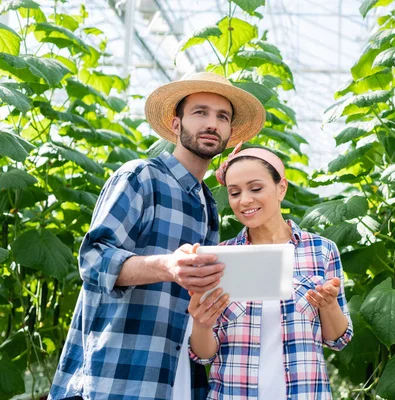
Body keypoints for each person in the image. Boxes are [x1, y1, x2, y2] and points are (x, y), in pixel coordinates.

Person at [48, 72, 266, 400]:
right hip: (119, 374)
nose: (212, 123)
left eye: (222, 117)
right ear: (176, 124)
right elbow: (93, 260)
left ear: (230, 133)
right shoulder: (141, 177)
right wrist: (167, 266)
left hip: (175, 375)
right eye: (200, 113)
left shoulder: (207, 203)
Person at [186, 146, 354, 399]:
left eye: (255, 189)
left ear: (281, 188)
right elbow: (204, 355)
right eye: (234, 192)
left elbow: (338, 340)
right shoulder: (220, 257)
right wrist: (201, 323)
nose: (244, 200)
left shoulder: (321, 250)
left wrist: (328, 305)